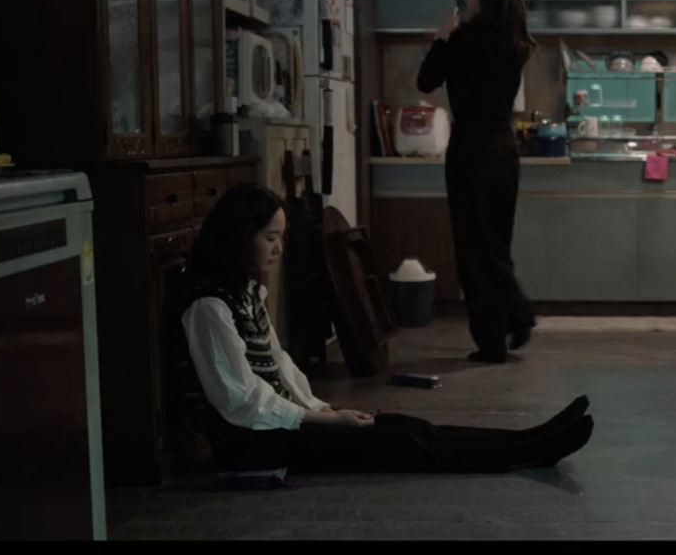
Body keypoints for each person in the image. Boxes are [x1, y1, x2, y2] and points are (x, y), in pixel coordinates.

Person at [181, 183, 592, 473]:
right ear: (240, 238)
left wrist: (322, 408)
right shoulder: (210, 307)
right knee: (405, 444)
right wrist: (321, 421)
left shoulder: (248, 293)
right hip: (253, 443)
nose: (279, 248)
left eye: (281, 237)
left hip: (282, 424)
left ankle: (530, 439)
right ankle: (528, 451)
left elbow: (277, 365)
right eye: (270, 238)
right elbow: (241, 401)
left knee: (407, 426)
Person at [417, 0, 538, 363]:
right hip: (504, 149)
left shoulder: (465, 39)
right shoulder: (515, 40)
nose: (466, 0)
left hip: (471, 149)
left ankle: (502, 329)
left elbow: (426, 81)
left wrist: (440, 39)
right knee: (495, 244)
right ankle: (507, 324)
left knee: (473, 246)